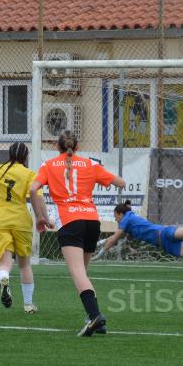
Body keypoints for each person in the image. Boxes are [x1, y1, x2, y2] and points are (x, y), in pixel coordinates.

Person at [29, 130, 126, 337]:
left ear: (57, 146)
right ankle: (95, 319)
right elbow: (121, 183)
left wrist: (39, 217)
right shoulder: (90, 164)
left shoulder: (48, 165)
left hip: (70, 221)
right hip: (92, 221)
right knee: (83, 274)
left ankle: (95, 316)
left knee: (78, 273)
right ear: (77, 147)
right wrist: (95, 176)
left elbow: (32, 189)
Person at [0, 143, 40, 313]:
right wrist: (42, 218)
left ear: (9, 154)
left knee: (4, 263)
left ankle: (4, 278)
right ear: (26, 157)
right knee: (24, 265)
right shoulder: (29, 174)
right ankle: (28, 305)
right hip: (21, 221)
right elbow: (36, 196)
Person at [95, 201, 183, 261]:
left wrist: (101, 252)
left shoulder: (126, 218)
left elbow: (114, 239)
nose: (115, 219)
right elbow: (116, 238)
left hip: (164, 233)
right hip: (164, 244)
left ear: (120, 214)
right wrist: (105, 243)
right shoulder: (127, 222)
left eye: (115, 216)